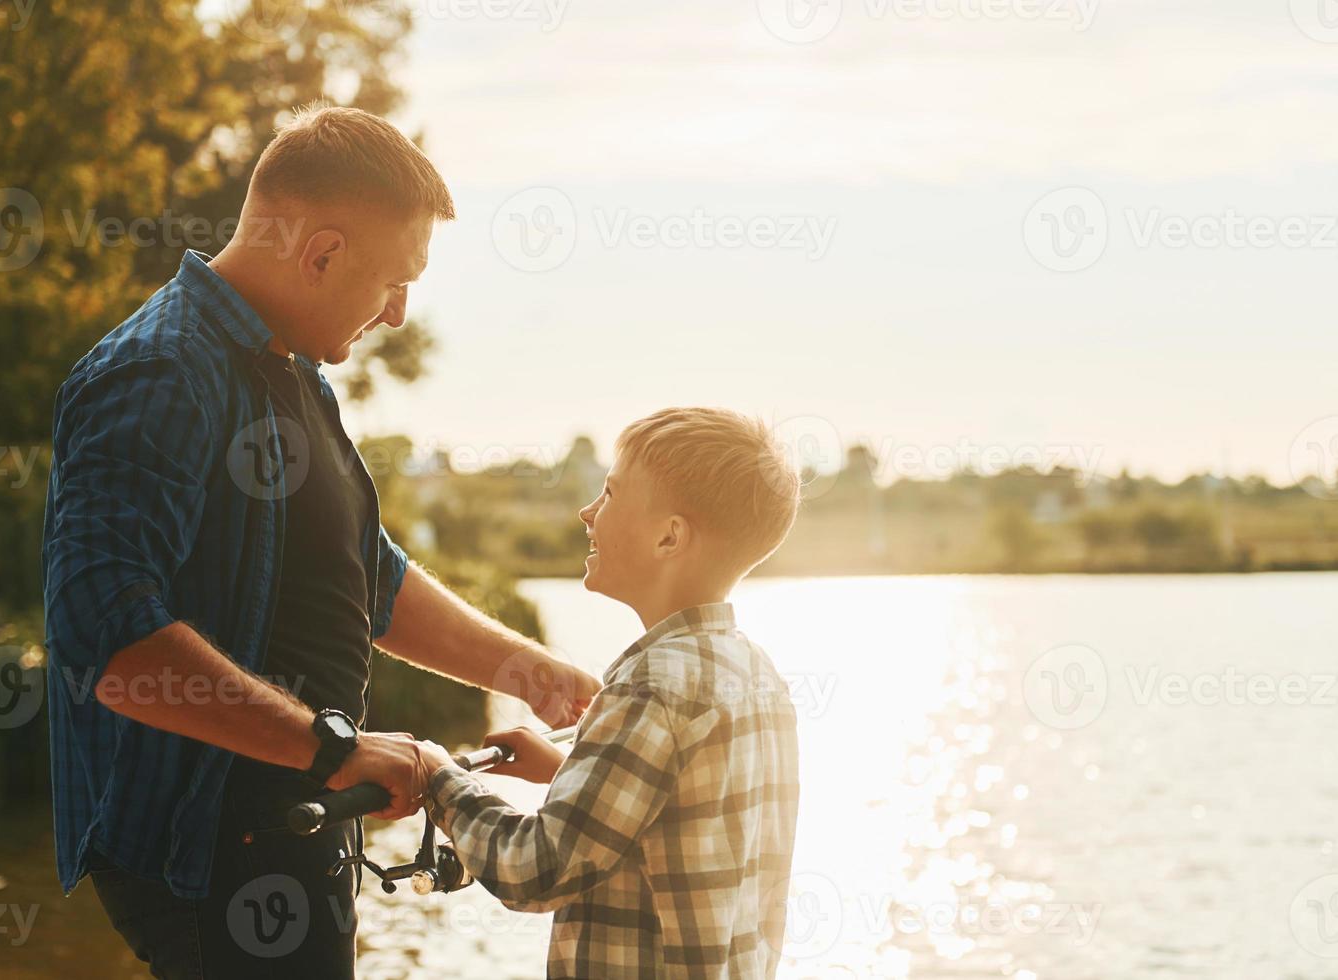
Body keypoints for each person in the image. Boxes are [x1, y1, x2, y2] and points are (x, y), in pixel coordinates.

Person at [41, 104, 600, 978]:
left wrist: (542, 677)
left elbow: (366, 580)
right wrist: (336, 749)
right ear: (323, 253)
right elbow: (109, 641)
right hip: (210, 856)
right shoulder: (156, 373)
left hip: (299, 831)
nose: (400, 315)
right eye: (394, 282)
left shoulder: (297, 376)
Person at [416, 407, 803, 979]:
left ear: (669, 536)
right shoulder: (757, 673)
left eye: (610, 493)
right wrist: (570, 770)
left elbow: (536, 869)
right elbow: (687, 817)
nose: (587, 512)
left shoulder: (652, 685)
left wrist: (437, 777)